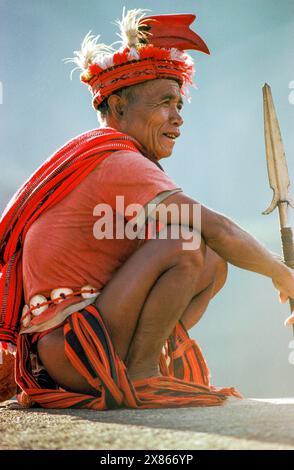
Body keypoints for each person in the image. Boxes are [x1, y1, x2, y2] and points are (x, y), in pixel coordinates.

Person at [0, 9, 293, 410]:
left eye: (179, 104)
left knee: (211, 262)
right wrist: (283, 274)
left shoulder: (105, 157)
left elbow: (216, 244)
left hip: (79, 344)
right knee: (187, 243)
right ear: (119, 108)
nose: (178, 118)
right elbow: (218, 227)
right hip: (74, 349)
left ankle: (147, 360)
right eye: (165, 103)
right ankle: (141, 375)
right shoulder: (118, 161)